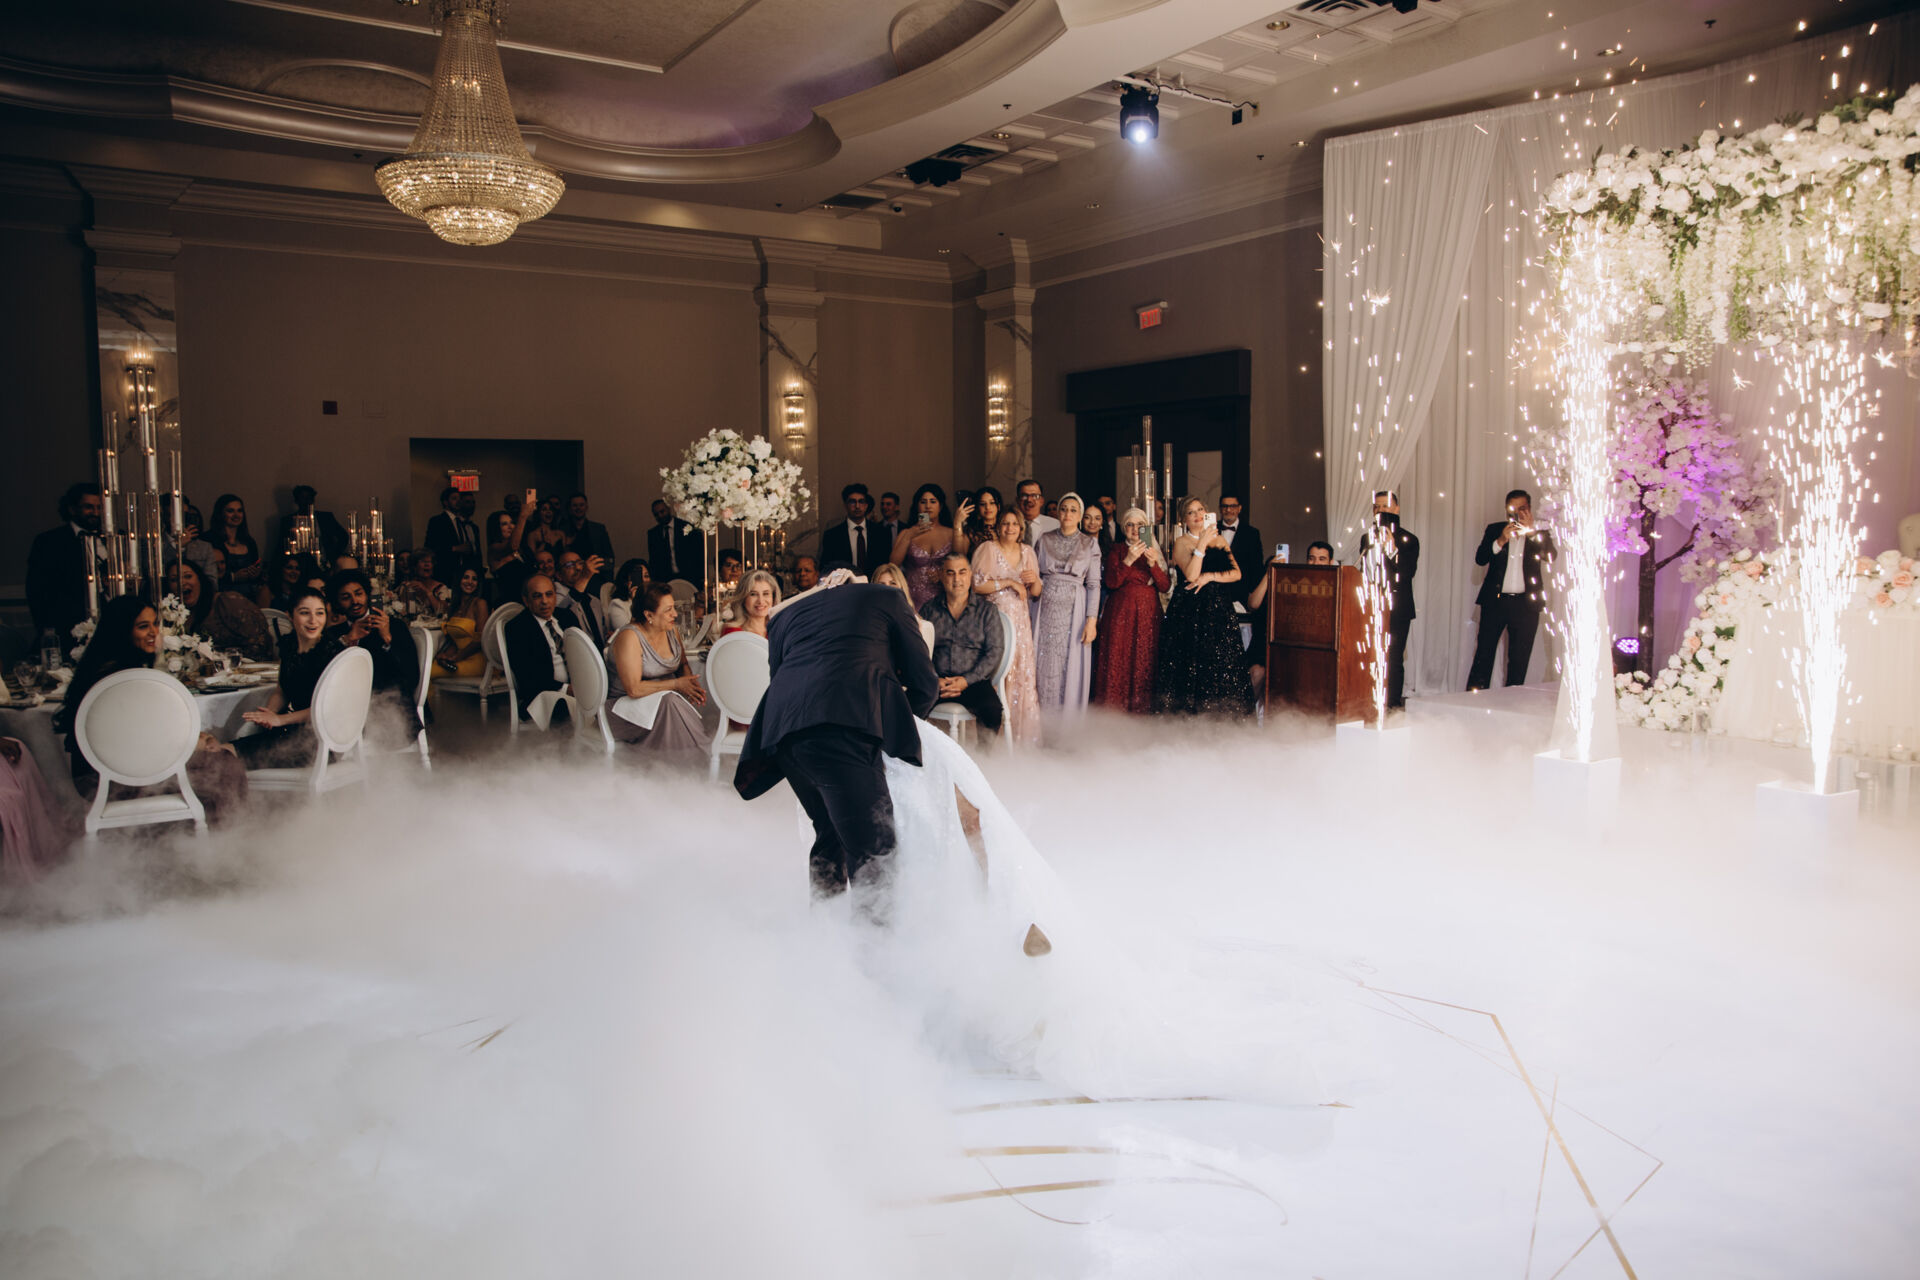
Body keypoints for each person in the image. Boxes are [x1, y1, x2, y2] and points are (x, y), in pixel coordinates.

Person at [733, 574, 939, 904]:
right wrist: (892, 735)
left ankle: (825, 926)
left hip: (784, 730)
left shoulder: (786, 615)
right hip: (842, 725)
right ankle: (873, 936)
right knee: (875, 851)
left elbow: (781, 676)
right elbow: (925, 683)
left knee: (830, 832)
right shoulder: (887, 597)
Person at [58, 594, 249, 822]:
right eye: (143, 626)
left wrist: (199, 740)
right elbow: (140, 738)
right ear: (122, 630)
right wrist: (195, 744)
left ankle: (204, 835)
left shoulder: (107, 669)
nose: (153, 632)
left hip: (113, 771)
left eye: (154, 624)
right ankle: (223, 837)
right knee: (224, 769)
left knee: (219, 762)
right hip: (115, 778)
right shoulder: (120, 679)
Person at [1155, 498, 1253, 718]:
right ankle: (1190, 721)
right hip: (1191, 611)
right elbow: (1191, 575)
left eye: (1200, 509)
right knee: (1192, 665)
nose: (1197, 515)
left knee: (1222, 665)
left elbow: (1236, 573)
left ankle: (1223, 720)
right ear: (1184, 519)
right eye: (1191, 512)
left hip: (1219, 610)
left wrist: (1210, 576)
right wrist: (1201, 544)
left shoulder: (1219, 540)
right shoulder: (1181, 542)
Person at [602, 583, 711, 765]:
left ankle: (692, 759)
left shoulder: (671, 630)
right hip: (623, 710)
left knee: (674, 703)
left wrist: (690, 684)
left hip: (661, 703)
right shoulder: (630, 637)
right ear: (649, 615)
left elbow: (682, 664)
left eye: (673, 608)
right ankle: (697, 762)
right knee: (670, 702)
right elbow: (633, 689)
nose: (675, 614)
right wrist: (676, 685)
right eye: (668, 610)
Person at [235, 586, 344, 766]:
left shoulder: (332, 652)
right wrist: (269, 713)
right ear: (290, 616)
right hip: (295, 731)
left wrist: (279, 719)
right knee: (225, 749)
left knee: (231, 754)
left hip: (323, 740)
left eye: (319, 613)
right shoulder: (289, 646)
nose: (313, 620)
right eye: (305, 613)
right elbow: (282, 691)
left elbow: (327, 709)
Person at [1467, 489, 1556, 691]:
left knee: (1519, 659)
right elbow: (1480, 559)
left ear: (1529, 509)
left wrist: (1531, 533)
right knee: (1484, 654)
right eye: (1512, 510)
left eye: (1522, 509)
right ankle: (1473, 699)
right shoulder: (1495, 529)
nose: (1517, 514)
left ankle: (1512, 701)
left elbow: (1551, 557)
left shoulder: (1540, 533)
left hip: (1526, 605)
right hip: (1495, 601)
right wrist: (1500, 541)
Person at [969, 507, 1042, 746]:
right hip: (994, 621)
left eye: (1015, 524)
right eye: (1005, 523)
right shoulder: (988, 549)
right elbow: (976, 585)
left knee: (1019, 674)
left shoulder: (1027, 552)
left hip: (1020, 624)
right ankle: (990, 737)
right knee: (996, 672)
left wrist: (1034, 581)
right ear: (998, 527)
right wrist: (1009, 582)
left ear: (1021, 528)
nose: (1010, 528)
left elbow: (1036, 591)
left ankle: (1018, 738)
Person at [326, 569, 421, 740]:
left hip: (389, 708)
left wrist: (387, 639)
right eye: (346, 597)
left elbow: (411, 676)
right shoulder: (334, 634)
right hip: (345, 709)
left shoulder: (395, 626)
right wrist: (348, 639)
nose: (355, 601)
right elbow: (324, 675)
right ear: (338, 603)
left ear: (367, 595)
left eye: (358, 594)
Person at [1091, 507, 1169, 714]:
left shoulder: (1154, 550)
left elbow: (1164, 586)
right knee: (1119, 659)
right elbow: (1111, 582)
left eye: (1140, 525)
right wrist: (1128, 560)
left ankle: (1141, 715)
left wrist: (1152, 564)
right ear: (1123, 528)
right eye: (1130, 525)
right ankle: (1113, 715)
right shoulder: (1116, 550)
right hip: (1120, 613)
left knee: (1144, 660)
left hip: (1148, 614)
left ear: (1147, 528)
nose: (1135, 529)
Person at [1032, 493, 1102, 724]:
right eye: (1064, 509)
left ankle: (1066, 725)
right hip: (1045, 609)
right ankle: (1041, 723)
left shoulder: (1089, 543)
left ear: (1080, 516)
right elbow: (1034, 576)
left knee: (1069, 664)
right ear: (1058, 513)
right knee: (1043, 661)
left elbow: (1093, 584)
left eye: (1073, 510)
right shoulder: (1044, 539)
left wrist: (1091, 621)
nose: (1068, 514)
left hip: (1075, 610)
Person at [919, 553, 1006, 735]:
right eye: (950, 573)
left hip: (974, 682)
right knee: (909, 704)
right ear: (941, 576)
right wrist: (934, 679)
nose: (956, 579)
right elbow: (919, 651)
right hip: (937, 682)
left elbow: (994, 652)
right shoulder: (929, 610)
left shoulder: (987, 611)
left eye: (962, 572)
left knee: (992, 710)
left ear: (970, 575)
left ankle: (984, 755)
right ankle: (916, 752)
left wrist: (966, 680)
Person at [1358, 490, 1420, 709]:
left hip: (1397, 609)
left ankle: (1392, 706)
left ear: (1396, 509)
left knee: (1392, 658)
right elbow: (1363, 570)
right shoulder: (1366, 537)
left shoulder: (1409, 540)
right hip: (1370, 606)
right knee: (1369, 655)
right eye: (1377, 506)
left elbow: (1407, 573)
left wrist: (1392, 549)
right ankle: (1368, 701)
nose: (1380, 510)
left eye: (1385, 506)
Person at [501, 574, 585, 723]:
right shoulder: (517, 628)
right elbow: (527, 677)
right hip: (542, 695)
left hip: (579, 687)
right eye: (537, 596)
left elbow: (584, 654)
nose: (545, 601)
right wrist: (566, 689)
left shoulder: (567, 617)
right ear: (526, 600)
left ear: (555, 596)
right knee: (565, 705)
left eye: (549, 594)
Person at [26, 481, 104, 640]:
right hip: (68, 627)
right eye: (88, 507)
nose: (95, 513)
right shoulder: (49, 542)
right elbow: (37, 591)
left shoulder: (114, 538)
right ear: (72, 509)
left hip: (110, 623)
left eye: (99, 507)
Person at [889, 483, 973, 610]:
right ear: (917, 506)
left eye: (933, 501)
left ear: (941, 506)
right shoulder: (907, 533)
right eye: (923, 502)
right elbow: (892, 565)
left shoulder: (952, 533)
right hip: (912, 600)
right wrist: (909, 535)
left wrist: (957, 525)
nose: (928, 506)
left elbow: (960, 559)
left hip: (945, 600)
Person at [173, 560, 275, 659]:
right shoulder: (173, 617)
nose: (182, 583)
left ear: (200, 579)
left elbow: (262, 643)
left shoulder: (226, 602)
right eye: (174, 580)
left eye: (188, 576)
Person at [200, 494, 266, 601]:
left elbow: (256, 567)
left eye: (239, 511)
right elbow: (204, 575)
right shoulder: (208, 540)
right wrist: (233, 577)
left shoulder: (249, 541)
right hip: (221, 595)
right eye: (230, 511)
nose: (236, 515)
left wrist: (255, 574)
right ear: (220, 513)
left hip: (249, 595)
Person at [434, 567, 491, 677]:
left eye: (474, 579)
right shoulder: (455, 607)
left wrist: (458, 656)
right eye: (466, 577)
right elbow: (456, 641)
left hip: (477, 659)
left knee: (430, 673)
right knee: (426, 669)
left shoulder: (480, 603)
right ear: (458, 580)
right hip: (459, 657)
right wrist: (446, 655)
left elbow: (481, 639)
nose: (470, 582)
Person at [819, 483, 886, 576]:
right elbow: (827, 567)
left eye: (861, 501)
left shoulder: (880, 533)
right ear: (845, 505)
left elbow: (884, 565)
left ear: (866, 505)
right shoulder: (832, 535)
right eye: (852, 502)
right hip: (844, 583)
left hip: (874, 583)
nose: (857, 506)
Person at [423, 486, 483, 588]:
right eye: (454, 499)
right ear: (446, 502)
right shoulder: (438, 521)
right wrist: (454, 548)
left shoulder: (461, 522)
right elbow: (430, 547)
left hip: (462, 572)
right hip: (446, 572)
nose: (458, 501)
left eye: (459, 499)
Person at [872, 562, 935, 654]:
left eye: (893, 583)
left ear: (902, 589)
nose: (887, 589)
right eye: (881, 584)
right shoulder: (868, 625)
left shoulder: (924, 627)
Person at [281, 484, 348, 563]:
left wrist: (334, 556)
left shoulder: (326, 518)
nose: (307, 502)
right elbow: (281, 546)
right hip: (299, 564)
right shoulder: (288, 521)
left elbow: (343, 536)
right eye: (303, 498)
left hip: (324, 562)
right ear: (296, 500)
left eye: (310, 498)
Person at [1217, 497, 1264, 610]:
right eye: (1225, 506)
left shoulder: (1251, 534)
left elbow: (1256, 567)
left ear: (1239, 508)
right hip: (1215, 593)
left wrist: (1251, 597)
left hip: (1240, 595)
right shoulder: (1211, 530)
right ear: (1220, 509)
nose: (1228, 510)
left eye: (1232, 506)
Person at [555, 550, 609, 646]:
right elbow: (564, 609)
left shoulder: (594, 600)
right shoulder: (555, 595)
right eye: (570, 564)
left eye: (580, 563)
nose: (578, 568)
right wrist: (584, 577)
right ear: (559, 575)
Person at [647, 499, 703, 588]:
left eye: (662, 511)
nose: (660, 516)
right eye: (656, 514)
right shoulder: (653, 534)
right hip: (665, 580)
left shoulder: (687, 527)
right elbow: (653, 561)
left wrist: (701, 578)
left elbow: (699, 554)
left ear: (669, 509)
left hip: (689, 576)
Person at [562, 492, 615, 570]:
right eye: (575, 505)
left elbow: (609, 557)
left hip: (596, 573)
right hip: (571, 573)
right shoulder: (562, 530)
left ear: (586, 507)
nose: (578, 508)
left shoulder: (599, 529)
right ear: (570, 508)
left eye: (581, 505)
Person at [722, 569, 780, 638]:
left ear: (773, 597)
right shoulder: (733, 632)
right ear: (743, 598)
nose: (761, 601)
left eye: (766, 594)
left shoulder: (778, 630)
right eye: (753, 594)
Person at [396, 549, 449, 619]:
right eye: (423, 561)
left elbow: (442, 612)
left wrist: (427, 591)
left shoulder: (440, 588)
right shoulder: (406, 586)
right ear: (415, 567)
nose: (427, 565)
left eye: (430, 562)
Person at [605, 558, 652, 632]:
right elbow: (628, 632)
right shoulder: (617, 604)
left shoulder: (654, 602)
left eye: (646, 576)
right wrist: (636, 603)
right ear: (626, 582)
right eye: (637, 577)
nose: (643, 580)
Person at [1015, 479, 1059, 545]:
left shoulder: (1055, 525)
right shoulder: (1009, 526)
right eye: (1024, 496)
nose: (1029, 500)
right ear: (1017, 500)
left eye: (1035, 496)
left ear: (1042, 501)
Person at [963, 485, 1002, 550]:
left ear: (998, 506)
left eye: (992, 503)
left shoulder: (1005, 528)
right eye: (983, 504)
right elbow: (960, 554)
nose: (987, 507)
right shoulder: (971, 532)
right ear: (977, 508)